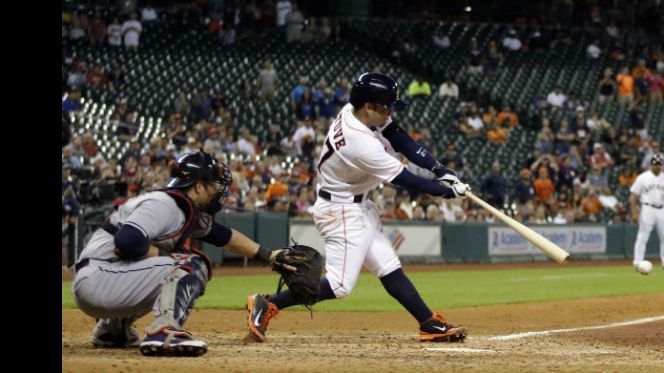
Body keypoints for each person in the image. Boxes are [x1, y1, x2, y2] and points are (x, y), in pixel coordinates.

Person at [245, 72, 469, 343]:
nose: (389, 113)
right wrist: (446, 191)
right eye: (386, 107)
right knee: (339, 285)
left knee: (388, 266)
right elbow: (407, 180)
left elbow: (399, 138)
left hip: (356, 205)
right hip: (341, 211)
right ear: (369, 107)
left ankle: (428, 323)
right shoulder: (359, 143)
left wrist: (439, 169)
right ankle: (268, 304)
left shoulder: (354, 111)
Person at [71, 151, 287, 357]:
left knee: (172, 262)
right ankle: (164, 330)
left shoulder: (184, 208)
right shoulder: (165, 205)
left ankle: (113, 330)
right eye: (214, 186)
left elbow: (223, 236)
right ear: (199, 186)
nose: (218, 192)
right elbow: (127, 241)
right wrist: (168, 257)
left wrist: (268, 256)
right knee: (190, 263)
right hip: (100, 277)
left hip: (105, 277)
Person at [630, 154, 664, 273]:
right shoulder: (642, 177)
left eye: (659, 165)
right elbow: (633, 197)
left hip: (663, 209)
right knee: (642, 236)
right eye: (655, 164)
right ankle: (637, 262)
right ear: (650, 165)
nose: (657, 167)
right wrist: (635, 212)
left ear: (662, 165)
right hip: (647, 208)